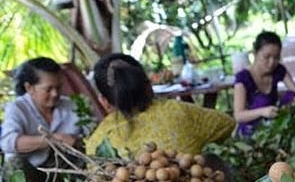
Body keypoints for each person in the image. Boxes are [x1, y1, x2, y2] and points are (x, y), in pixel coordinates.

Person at [86, 53, 235, 157]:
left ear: (105, 102)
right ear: (149, 87)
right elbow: (227, 123)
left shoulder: (96, 144)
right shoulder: (178, 112)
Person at [0, 57, 87, 182]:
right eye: (48, 89)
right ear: (29, 88)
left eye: (59, 87)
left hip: (62, 177)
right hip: (31, 176)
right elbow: (8, 142)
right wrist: (54, 139)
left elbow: (90, 135)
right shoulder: (16, 108)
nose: (55, 94)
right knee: (13, 163)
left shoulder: (72, 105)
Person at [233, 31, 295, 137]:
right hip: (251, 129)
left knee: (292, 96)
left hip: (273, 125)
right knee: (263, 101)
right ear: (255, 53)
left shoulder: (279, 70)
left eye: (276, 57)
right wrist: (262, 112)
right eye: (266, 57)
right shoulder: (243, 78)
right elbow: (238, 115)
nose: (272, 62)